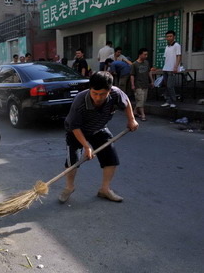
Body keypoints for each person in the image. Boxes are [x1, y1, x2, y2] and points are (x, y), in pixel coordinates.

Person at [59, 71, 138, 203]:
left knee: (111, 159)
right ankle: (69, 187)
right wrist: (86, 146)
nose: (98, 98)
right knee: (72, 162)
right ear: (90, 89)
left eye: (102, 94)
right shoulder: (80, 100)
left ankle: (105, 190)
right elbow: (75, 127)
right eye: (95, 93)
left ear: (109, 90)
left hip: (99, 129)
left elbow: (126, 101)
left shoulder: (115, 93)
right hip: (76, 131)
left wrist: (131, 119)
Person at [131, 48, 154, 121]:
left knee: (142, 100)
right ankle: (143, 115)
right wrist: (132, 85)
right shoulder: (134, 64)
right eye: (144, 54)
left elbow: (149, 72)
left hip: (145, 84)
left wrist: (152, 81)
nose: (146, 56)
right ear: (140, 55)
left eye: (147, 54)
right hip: (138, 85)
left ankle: (134, 112)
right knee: (140, 99)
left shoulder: (146, 63)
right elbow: (132, 75)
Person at [162, 30, 181, 108]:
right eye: (167, 36)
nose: (169, 38)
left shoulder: (177, 45)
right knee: (166, 86)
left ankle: (173, 101)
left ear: (174, 37)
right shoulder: (167, 46)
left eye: (170, 36)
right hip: (166, 68)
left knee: (170, 86)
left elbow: (178, 56)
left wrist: (176, 67)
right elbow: (166, 58)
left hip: (172, 69)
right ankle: (168, 101)